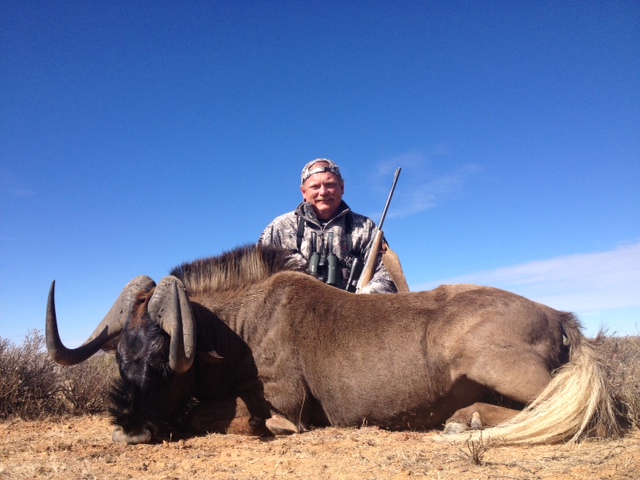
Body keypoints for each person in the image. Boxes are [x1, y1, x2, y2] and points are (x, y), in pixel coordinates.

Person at [259, 158, 398, 293]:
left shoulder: (365, 227)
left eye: (330, 185)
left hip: (352, 307)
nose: (323, 192)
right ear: (303, 192)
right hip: (293, 308)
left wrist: (363, 298)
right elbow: (259, 277)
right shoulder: (279, 228)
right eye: (315, 186)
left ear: (342, 188)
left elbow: (388, 273)